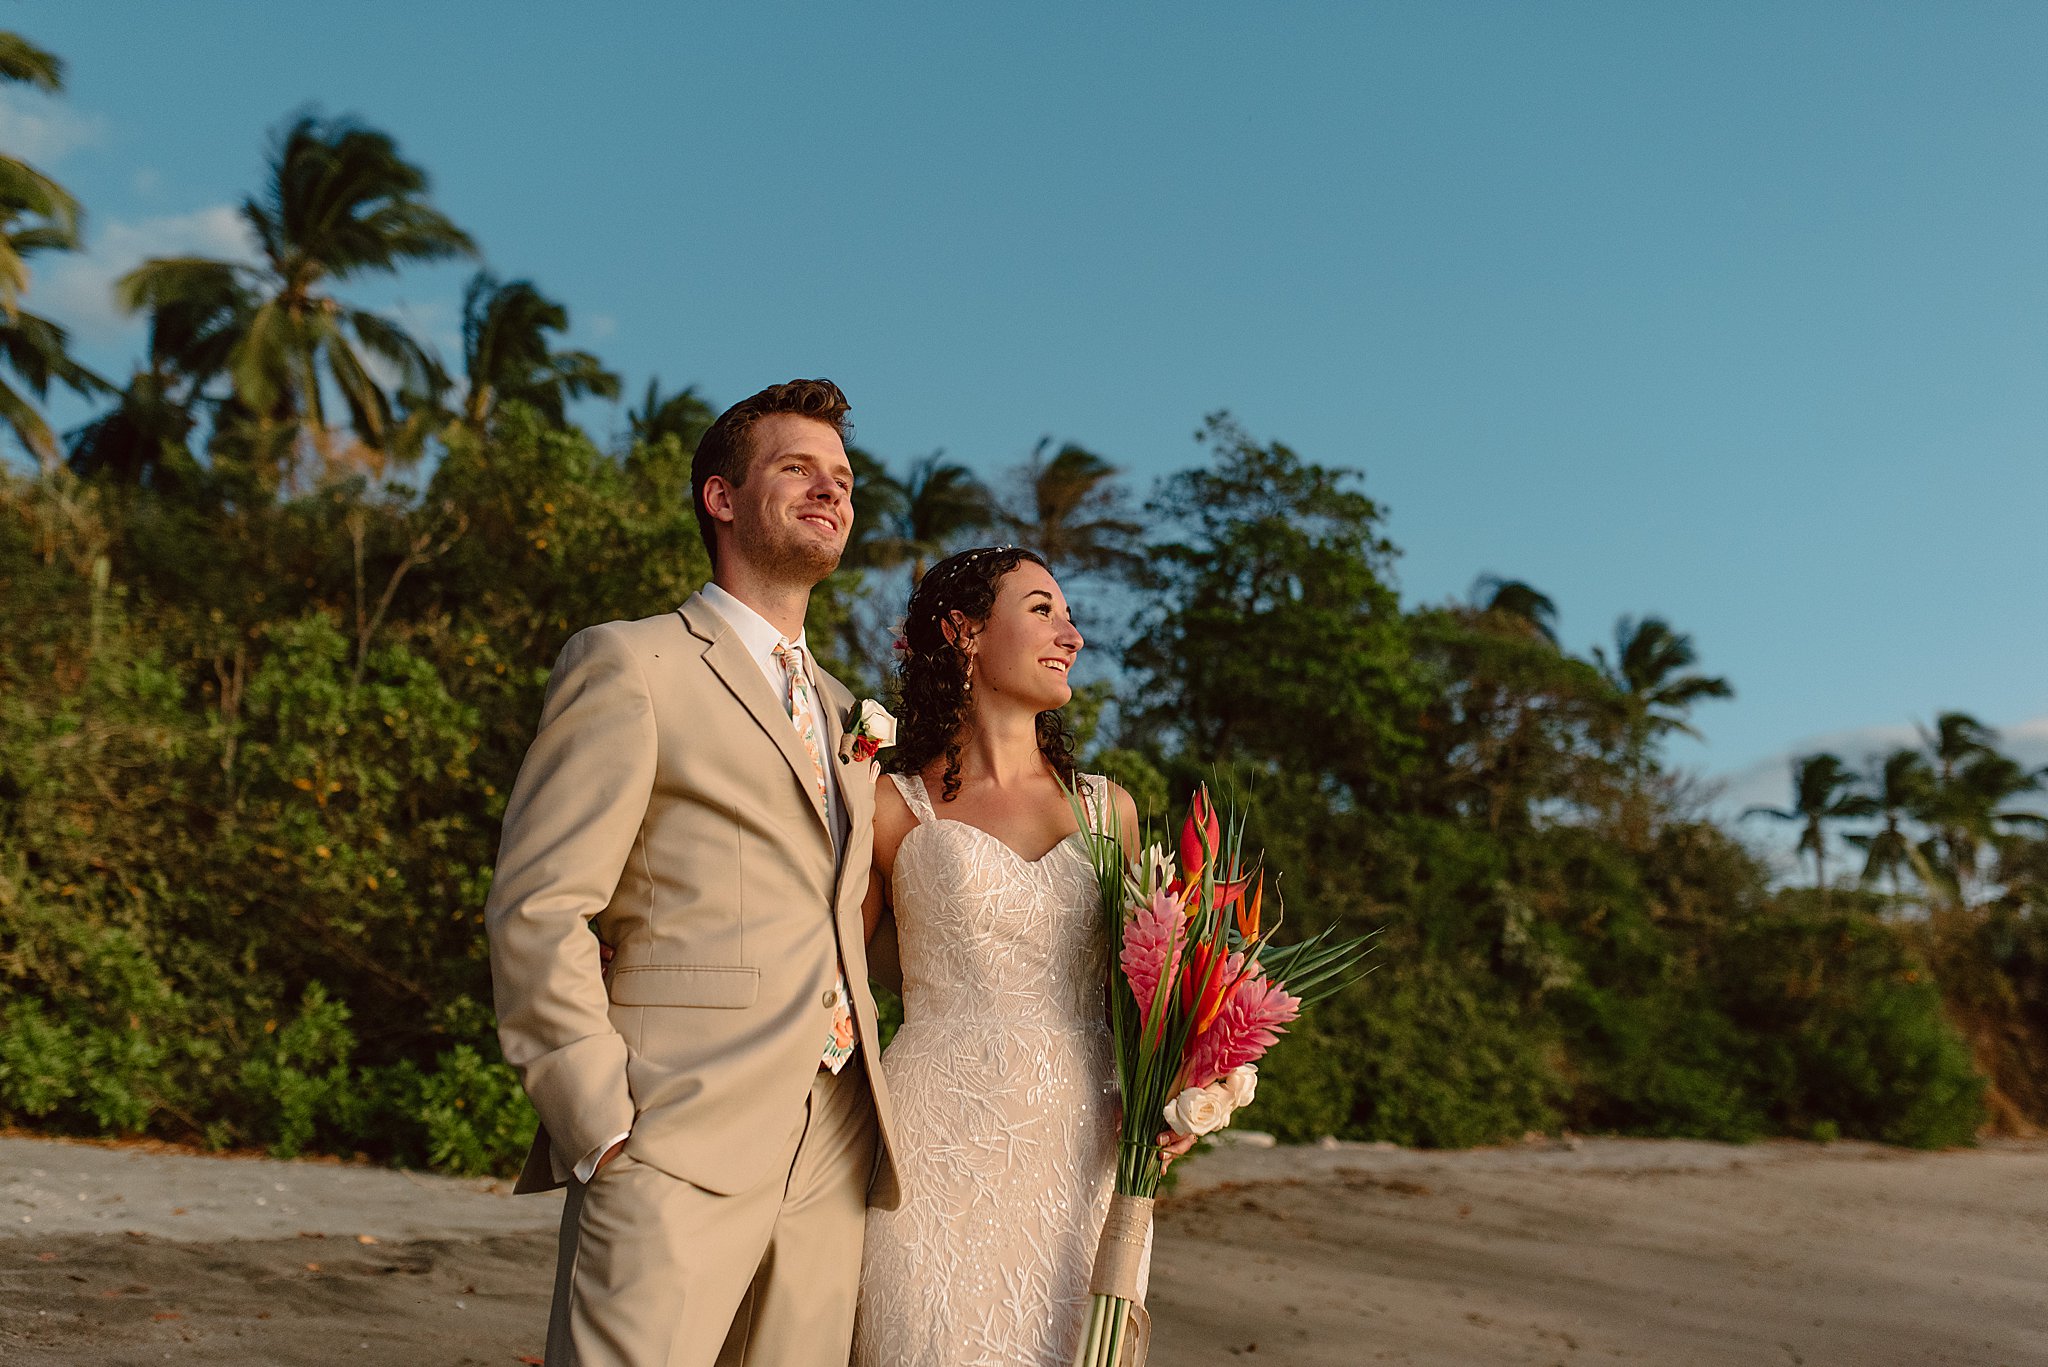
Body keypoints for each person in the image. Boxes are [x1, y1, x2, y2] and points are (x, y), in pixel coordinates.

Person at [484, 378, 902, 1367]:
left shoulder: (848, 712)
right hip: (673, 1130)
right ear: (719, 497)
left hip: (834, 1140)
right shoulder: (630, 663)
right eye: (796, 468)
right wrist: (596, 1122)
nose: (829, 490)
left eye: (841, 477)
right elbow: (538, 904)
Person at [850, 545, 1149, 1367]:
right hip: (930, 1147)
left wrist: (1179, 1090)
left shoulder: (1110, 812)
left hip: (1080, 1153)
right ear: (964, 631)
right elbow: (833, 972)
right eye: (1043, 609)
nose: (1073, 634)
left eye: (1067, 613)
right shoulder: (885, 802)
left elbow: (1151, 997)